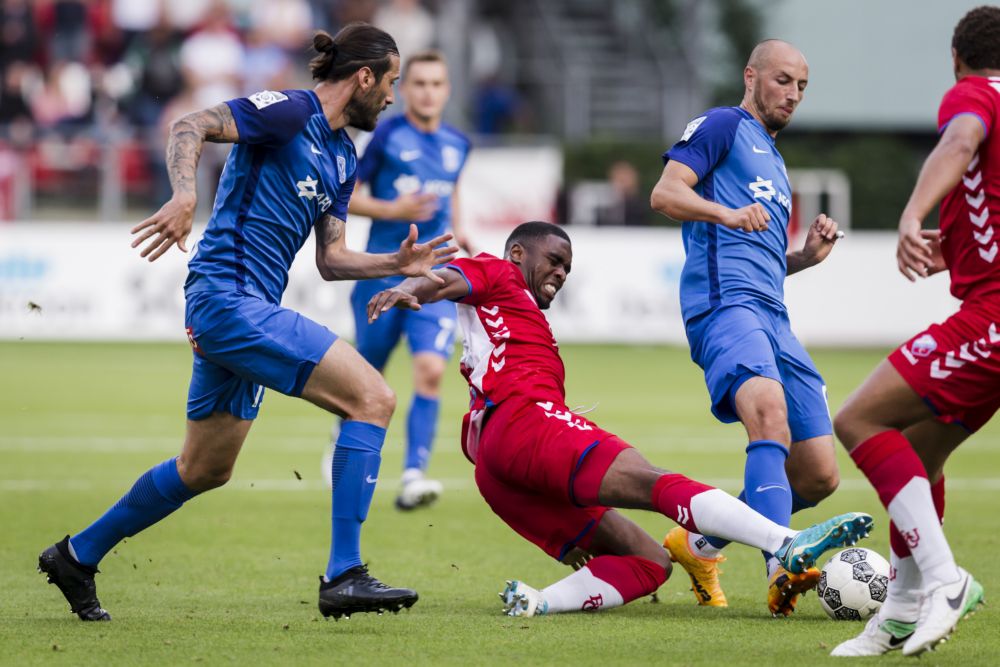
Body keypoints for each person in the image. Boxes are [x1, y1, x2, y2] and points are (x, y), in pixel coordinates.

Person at [37, 23, 456, 623]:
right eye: (390, 81)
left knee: (205, 468)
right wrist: (185, 197)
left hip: (246, 309)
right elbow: (191, 125)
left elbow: (331, 260)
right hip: (227, 298)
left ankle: (76, 556)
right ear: (364, 77)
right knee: (374, 398)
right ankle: (345, 574)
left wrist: (395, 263)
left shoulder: (342, 156)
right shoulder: (288, 111)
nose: (391, 96)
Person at [365, 220, 872, 617]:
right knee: (654, 482)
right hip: (527, 423)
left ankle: (539, 601)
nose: (561, 273)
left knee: (651, 562)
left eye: (568, 267)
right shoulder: (498, 274)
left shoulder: (513, 318)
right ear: (518, 253)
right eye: (555, 260)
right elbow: (449, 279)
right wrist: (413, 287)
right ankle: (785, 542)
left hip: (497, 470)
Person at [649, 39, 843, 616]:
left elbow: (757, 251)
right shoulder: (721, 125)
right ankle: (783, 567)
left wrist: (803, 258)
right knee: (768, 415)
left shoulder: (776, 162)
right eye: (783, 80)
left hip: (773, 314)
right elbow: (666, 193)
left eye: (802, 86)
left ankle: (700, 542)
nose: (793, 94)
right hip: (723, 305)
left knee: (819, 474)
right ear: (751, 75)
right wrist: (724, 212)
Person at [829, 7, 997, 657]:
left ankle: (945, 580)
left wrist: (909, 214)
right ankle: (898, 608)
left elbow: (958, 143)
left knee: (860, 420)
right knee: (918, 454)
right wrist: (953, 254)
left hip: (992, 317)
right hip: (987, 303)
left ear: (956, 56)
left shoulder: (973, 93)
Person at [329, 49, 471, 510]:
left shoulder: (457, 143)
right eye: (420, 83)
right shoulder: (387, 133)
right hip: (383, 273)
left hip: (437, 278)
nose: (428, 92)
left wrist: (461, 228)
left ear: (446, 91)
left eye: (437, 84)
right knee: (365, 378)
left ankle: (413, 475)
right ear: (405, 89)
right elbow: (346, 194)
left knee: (430, 370)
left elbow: (453, 191)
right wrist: (394, 210)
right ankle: (342, 432)